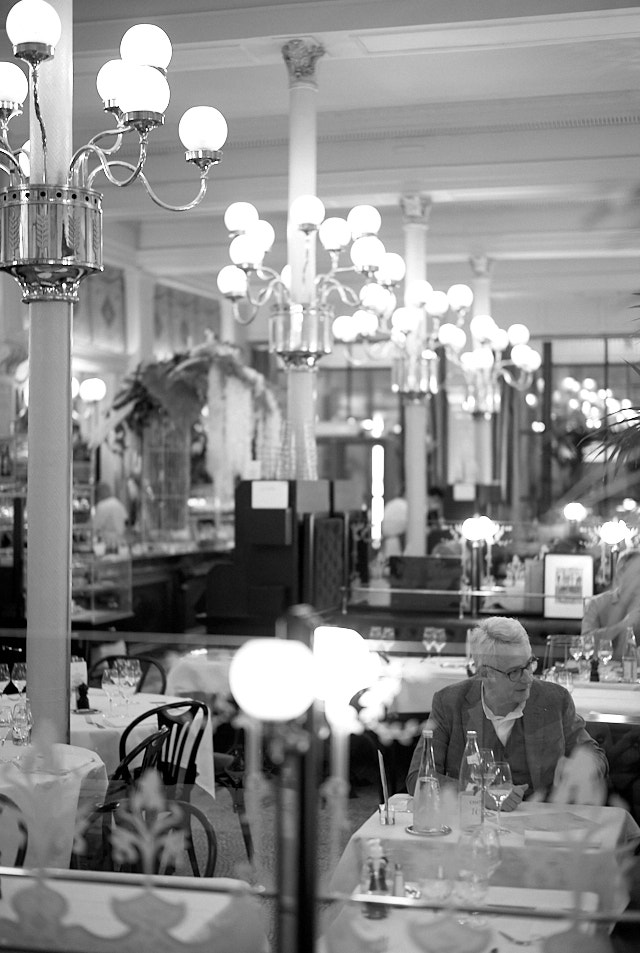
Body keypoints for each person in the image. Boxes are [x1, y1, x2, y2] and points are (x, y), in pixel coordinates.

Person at [406, 616, 608, 807]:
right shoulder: (450, 702)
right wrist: (476, 793)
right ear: (485, 674)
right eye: (514, 672)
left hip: (542, 826)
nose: (528, 678)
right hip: (473, 825)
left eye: (529, 665)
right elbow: (419, 777)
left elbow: (595, 757)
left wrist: (582, 769)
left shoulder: (554, 699)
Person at [581, 547, 640, 661]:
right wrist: (623, 625)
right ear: (620, 575)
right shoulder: (596, 604)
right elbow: (586, 643)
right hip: (604, 673)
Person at [93, 481, 128, 550]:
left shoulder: (102, 505)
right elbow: (126, 520)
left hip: (107, 543)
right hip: (121, 541)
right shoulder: (117, 503)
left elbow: (95, 526)